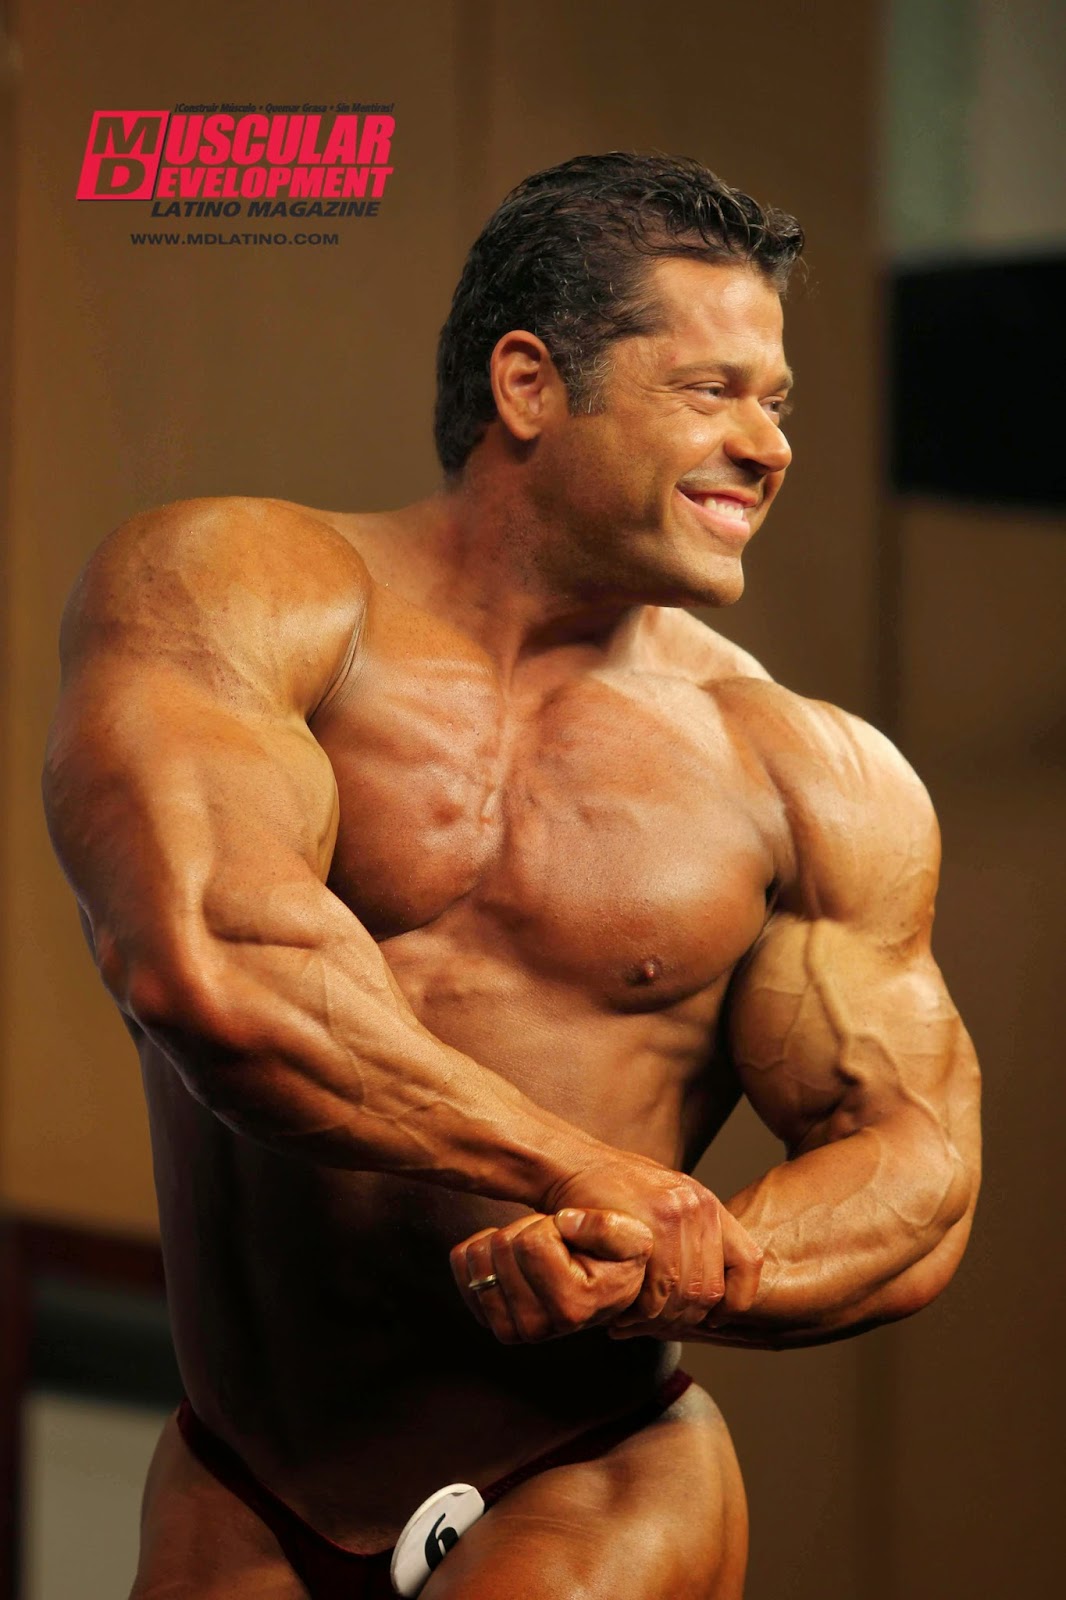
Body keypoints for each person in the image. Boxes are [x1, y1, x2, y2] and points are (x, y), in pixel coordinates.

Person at [42, 153, 981, 1600]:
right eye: (713, 390)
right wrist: (574, 1169)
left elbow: (915, 1167)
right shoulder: (237, 590)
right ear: (530, 384)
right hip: (241, 1480)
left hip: (588, 1471)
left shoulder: (808, 774)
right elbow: (213, 965)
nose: (767, 446)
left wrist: (692, 1262)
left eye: (777, 404)